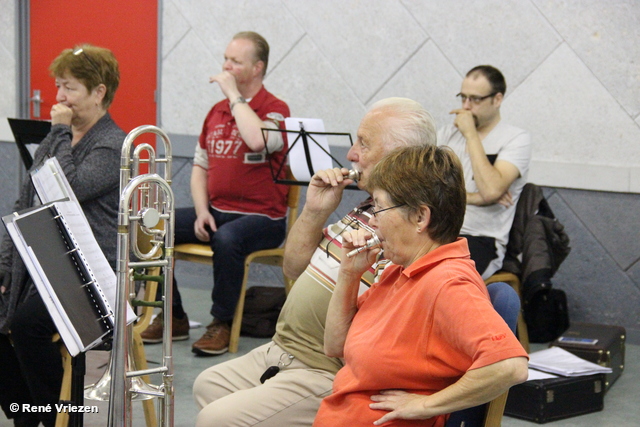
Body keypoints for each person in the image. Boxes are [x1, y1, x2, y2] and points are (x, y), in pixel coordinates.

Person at [192, 98, 437, 427]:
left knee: (215, 419)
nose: (350, 154)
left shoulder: (405, 230)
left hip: (325, 370)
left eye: (363, 143)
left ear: (399, 157)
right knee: (208, 385)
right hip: (282, 350)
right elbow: (292, 268)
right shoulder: (364, 207)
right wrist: (315, 209)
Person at [313, 144, 529, 427]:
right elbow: (334, 345)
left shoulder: (448, 281)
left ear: (419, 217)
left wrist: (425, 405)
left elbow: (510, 367)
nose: (373, 221)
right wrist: (349, 275)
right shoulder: (401, 269)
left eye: (378, 207)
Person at [141, 31, 290, 356]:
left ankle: (220, 323)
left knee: (227, 239)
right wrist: (202, 209)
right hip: (217, 211)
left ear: (257, 68)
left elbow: (258, 142)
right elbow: (200, 168)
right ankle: (174, 315)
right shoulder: (216, 113)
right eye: (226, 59)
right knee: (150, 226)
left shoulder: (275, 110)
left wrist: (234, 96)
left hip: (263, 218)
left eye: (235, 62)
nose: (225, 66)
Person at [0, 44, 125, 427]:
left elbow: (65, 191)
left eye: (69, 88)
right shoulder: (59, 139)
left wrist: (57, 130)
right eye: (58, 87)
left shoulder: (111, 144)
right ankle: (29, 414)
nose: (59, 98)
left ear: (98, 92)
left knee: (26, 326)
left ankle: (62, 417)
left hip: (91, 276)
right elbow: (25, 201)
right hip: (48, 265)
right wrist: (4, 265)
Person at [438, 65, 531, 279]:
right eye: (463, 98)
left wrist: (471, 135)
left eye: (475, 100)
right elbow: (425, 186)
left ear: (497, 99)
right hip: (438, 231)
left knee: (441, 279)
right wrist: (476, 198)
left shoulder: (515, 139)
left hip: (480, 239)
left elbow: (490, 190)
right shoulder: (447, 135)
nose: (466, 107)